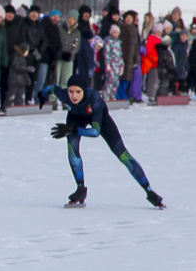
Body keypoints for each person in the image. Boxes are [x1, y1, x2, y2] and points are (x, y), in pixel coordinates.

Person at [52, 73, 164, 209]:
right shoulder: (63, 95)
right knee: (72, 149)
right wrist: (41, 95)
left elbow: (95, 132)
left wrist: (73, 130)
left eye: (78, 92)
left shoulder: (94, 99)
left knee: (122, 154)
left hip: (101, 123)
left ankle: (150, 191)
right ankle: (80, 189)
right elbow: (51, 88)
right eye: (70, 91)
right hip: (75, 118)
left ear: (84, 91)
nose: (74, 96)